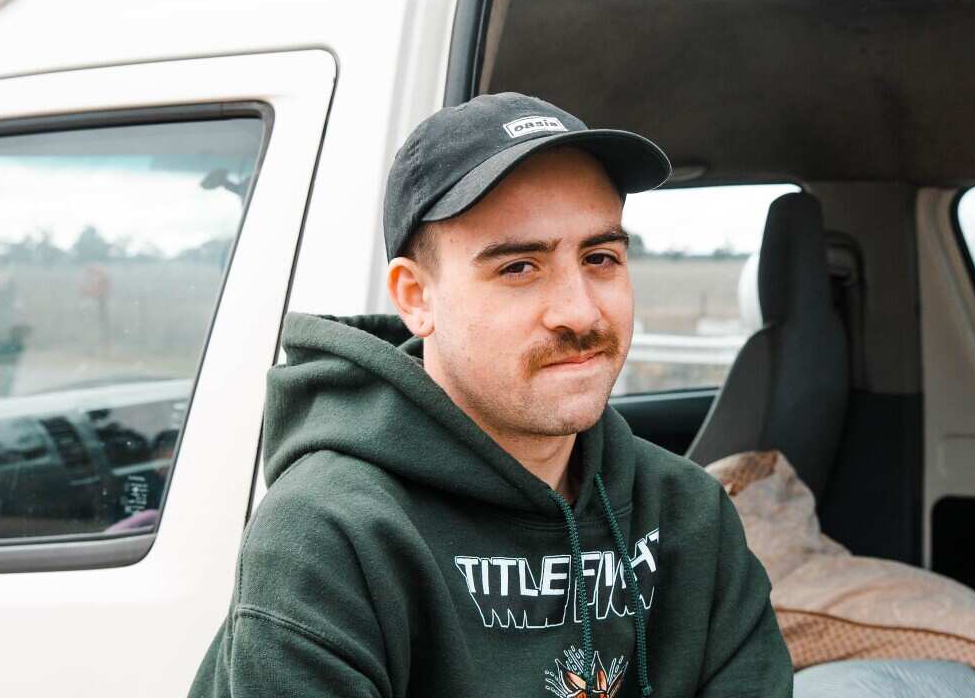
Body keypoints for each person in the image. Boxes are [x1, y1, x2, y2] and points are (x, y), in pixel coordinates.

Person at [187, 92, 793, 697]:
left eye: (600, 257)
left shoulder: (689, 513)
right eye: (519, 268)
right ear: (416, 297)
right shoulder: (331, 535)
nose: (579, 312)